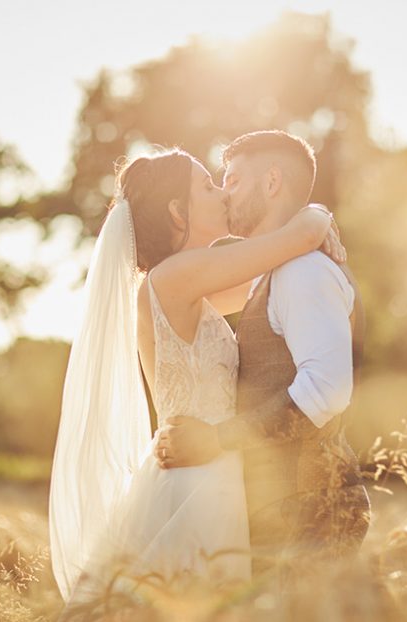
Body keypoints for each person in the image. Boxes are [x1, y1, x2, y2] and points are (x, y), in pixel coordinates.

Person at [48, 146, 345, 603]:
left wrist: (308, 233)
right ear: (176, 211)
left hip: (208, 464)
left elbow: (261, 284)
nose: (222, 192)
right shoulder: (175, 277)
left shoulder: (185, 285)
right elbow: (293, 241)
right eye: (208, 185)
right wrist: (319, 214)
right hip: (198, 478)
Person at [154, 131, 371, 580]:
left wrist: (219, 440)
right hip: (279, 512)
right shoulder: (269, 270)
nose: (224, 192)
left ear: (272, 181)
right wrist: (315, 217)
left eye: (232, 179)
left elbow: (326, 390)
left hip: (310, 512)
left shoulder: (303, 271)